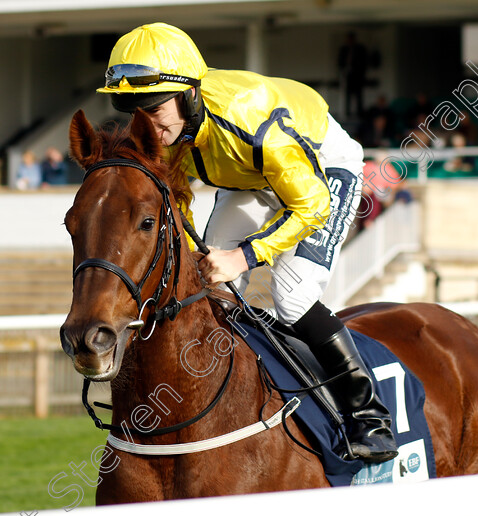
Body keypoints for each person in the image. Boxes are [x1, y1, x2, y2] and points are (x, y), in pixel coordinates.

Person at [97, 23, 397, 463]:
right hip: (251, 178)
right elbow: (176, 202)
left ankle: (369, 415)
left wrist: (243, 256)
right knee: (207, 282)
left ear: (189, 95)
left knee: (292, 295)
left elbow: (310, 206)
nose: (146, 121)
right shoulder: (171, 132)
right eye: (134, 109)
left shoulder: (246, 118)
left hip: (320, 171)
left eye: (154, 106)